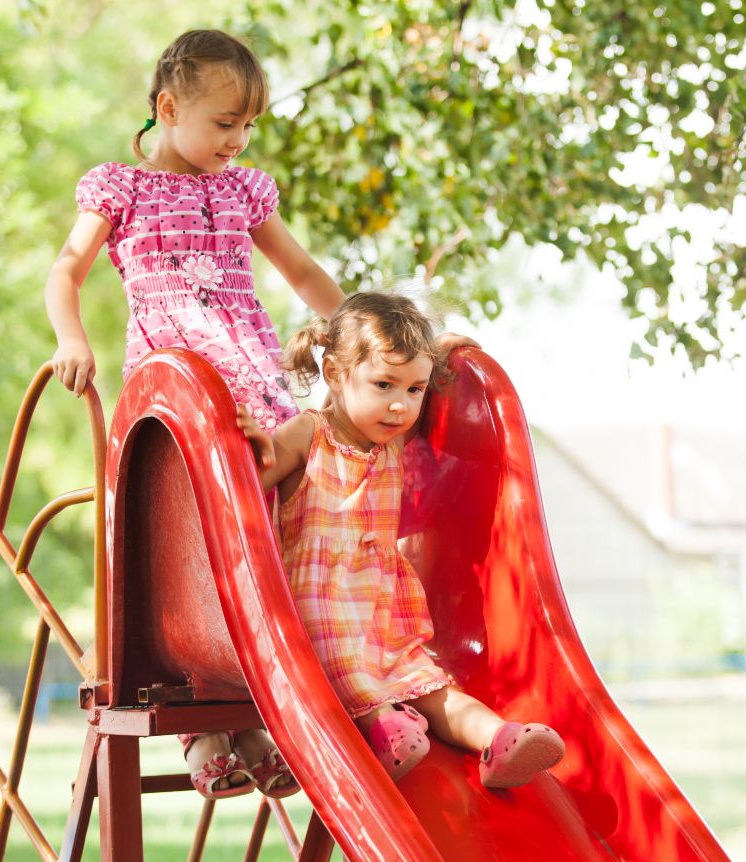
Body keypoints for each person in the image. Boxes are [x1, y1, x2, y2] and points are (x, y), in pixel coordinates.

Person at [42, 28, 330, 798]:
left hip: (251, 374)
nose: (236, 140)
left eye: (247, 127)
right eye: (223, 122)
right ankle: (208, 726)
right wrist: (73, 338)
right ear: (169, 109)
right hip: (179, 392)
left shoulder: (242, 192)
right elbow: (66, 270)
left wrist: (358, 331)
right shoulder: (122, 191)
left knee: (288, 495)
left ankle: (263, 700)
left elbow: (299, 270)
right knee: (197, 540)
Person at [237, 292, 566, 788]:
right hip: (321, 604)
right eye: (384, 384)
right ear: (333, 374)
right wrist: (247, 444)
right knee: (347, 678)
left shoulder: (390, 439)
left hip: (382, 607)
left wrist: (449, 352)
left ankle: (500, 739)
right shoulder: (309, 434)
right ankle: (386, 725)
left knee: (429, 686)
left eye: (415, 389)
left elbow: (434, 396)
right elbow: (246, 482)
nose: (399, 404)